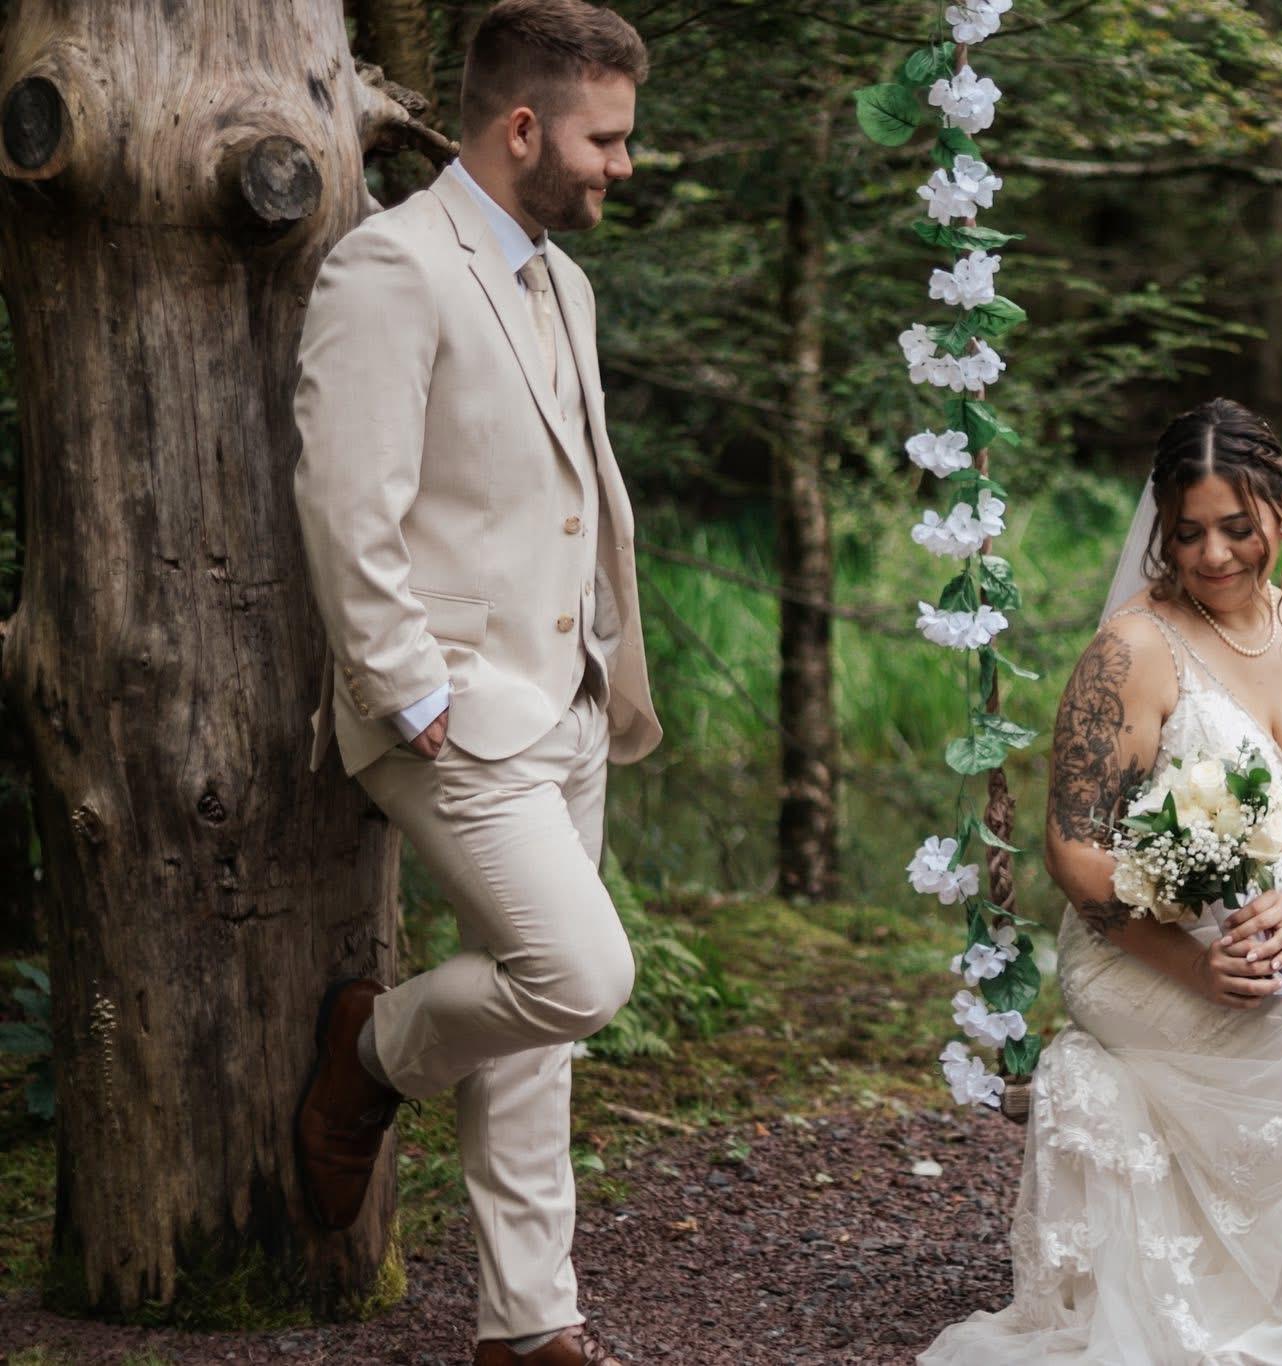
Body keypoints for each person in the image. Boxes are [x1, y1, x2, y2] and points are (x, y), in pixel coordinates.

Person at [921, 398, 1282, 1365]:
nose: (1214, 554)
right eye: (1188, 532)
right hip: (1149, 951)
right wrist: (1195, 964)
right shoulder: (1133, 650)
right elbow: (1072, 852)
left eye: (1238, 527)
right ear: (1161, 526)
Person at [289, 4, 659, 1362]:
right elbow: (347, 498)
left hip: (566, 698)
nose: (622, 163)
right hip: (445, 709)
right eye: (603, 139)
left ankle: (527, 1321)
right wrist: (405, 689)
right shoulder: (391, 267)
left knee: (536, 1031)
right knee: (577, 973)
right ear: (521, 129)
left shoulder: (568, 285)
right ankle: (371, 1054)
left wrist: (597, 658)